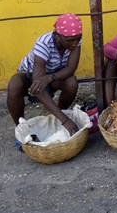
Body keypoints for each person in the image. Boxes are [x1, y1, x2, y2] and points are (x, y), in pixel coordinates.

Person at [7, 13, 83, 148]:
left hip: (52, 75)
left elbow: (71, 68)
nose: (75, 43)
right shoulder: (43, 44)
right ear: (58, 36)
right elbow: (38, 87)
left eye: (77, 39)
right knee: (14, 84)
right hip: (31, 76)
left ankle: (57, 118)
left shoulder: (75, 41)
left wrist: (50, 77)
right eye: (70, 40)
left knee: (71, 82)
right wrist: (66, 120)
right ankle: (21, 130)